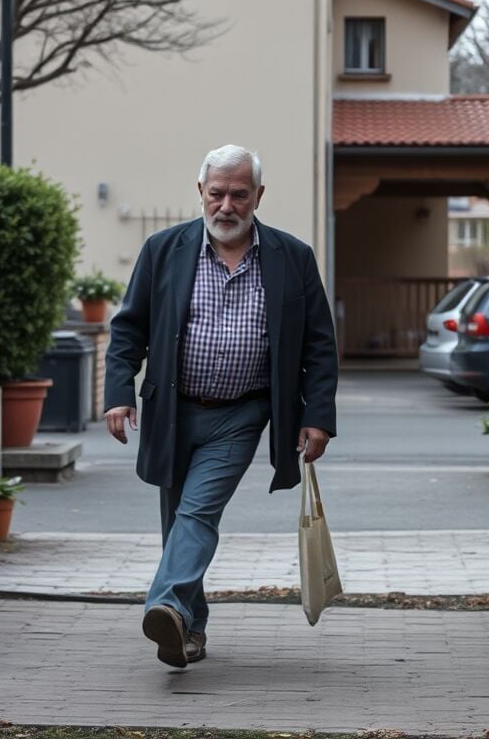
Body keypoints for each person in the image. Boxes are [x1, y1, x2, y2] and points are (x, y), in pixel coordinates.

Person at [104, 144, 339, 668]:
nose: (226, 205)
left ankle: (163, 604)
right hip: (171, 409)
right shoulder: (163, 249)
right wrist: (118, 393)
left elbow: (320, 344)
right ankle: (187, 631)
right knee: (178, 526)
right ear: (201, 193)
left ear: (258, 195)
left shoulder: (291, 257)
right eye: (217, 194)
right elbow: (128, 329)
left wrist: (317, 415)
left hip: (242, 413)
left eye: (238, 194)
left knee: (198, 511)